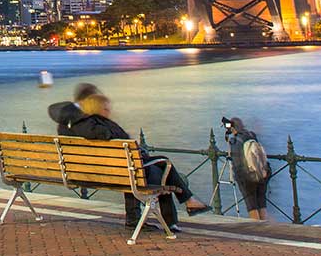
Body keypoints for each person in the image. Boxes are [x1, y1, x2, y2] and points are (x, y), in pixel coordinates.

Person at [48, 82, 209, 231]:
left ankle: (181, 208)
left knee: (154, 170)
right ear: (95, 108)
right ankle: (180, 211)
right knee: (163, 167)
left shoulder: (66, 126)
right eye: (105, 108)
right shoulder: (94, 125)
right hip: (119, 170)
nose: (109, 111)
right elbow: (106, 136)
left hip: (93, 170)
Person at [224, 115, 271, 220]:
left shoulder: (234, 140)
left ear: (232, 128)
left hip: (247, 177)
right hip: (262, 172)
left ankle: (258, 231)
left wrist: (238, 177)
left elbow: (237, 164)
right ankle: (267, 229)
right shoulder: (251, 135)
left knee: (252, 206)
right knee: (262, 203)